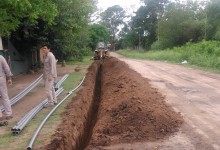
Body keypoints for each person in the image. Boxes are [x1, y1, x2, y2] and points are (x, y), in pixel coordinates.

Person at [0, 55, 13, 126]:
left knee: (4, 96)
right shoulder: (1, 57)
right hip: (1, 79)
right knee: (5, 96)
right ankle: (9, 113)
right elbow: (7, 68)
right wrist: (9, 78)